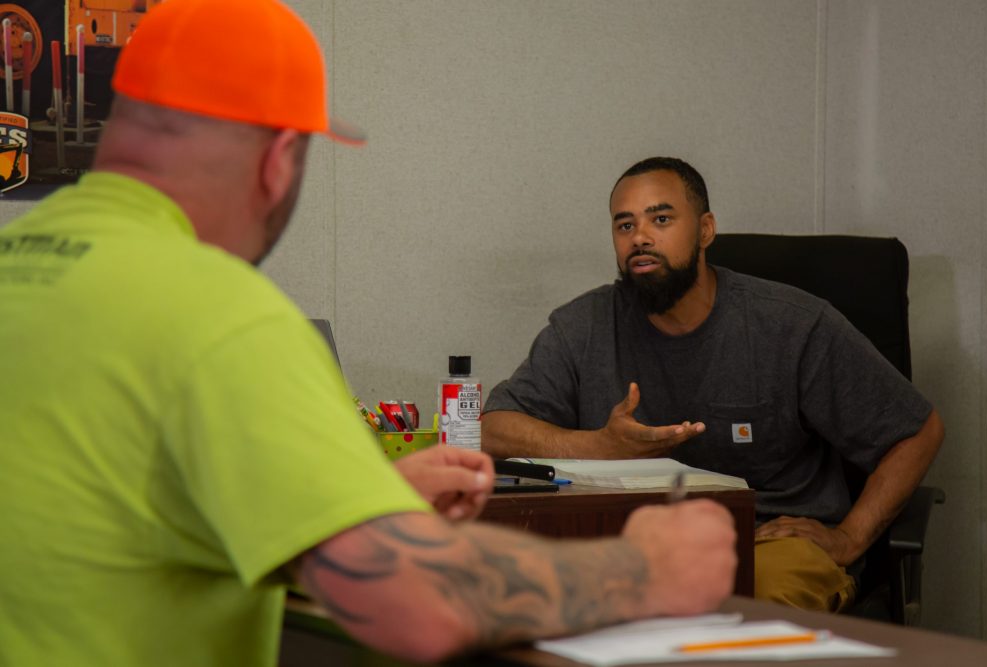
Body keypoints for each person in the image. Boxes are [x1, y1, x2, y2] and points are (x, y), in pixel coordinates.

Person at [0, 5, 738, 666]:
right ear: (279, 155)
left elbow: (95, 503)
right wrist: (641, 569)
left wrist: (349, 499)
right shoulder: (225, 318)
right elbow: (413, 604)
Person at [482, 156, 945, 613]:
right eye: (624, 226)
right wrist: (599, 447)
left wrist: (849, 537)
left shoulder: (792, 325)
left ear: (705, 230)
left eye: (660, 219)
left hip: (763, 544)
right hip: (631, 546)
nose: (639, 237)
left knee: (747, 614)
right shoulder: (583, 326)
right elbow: (492, 428)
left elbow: (917, 432)